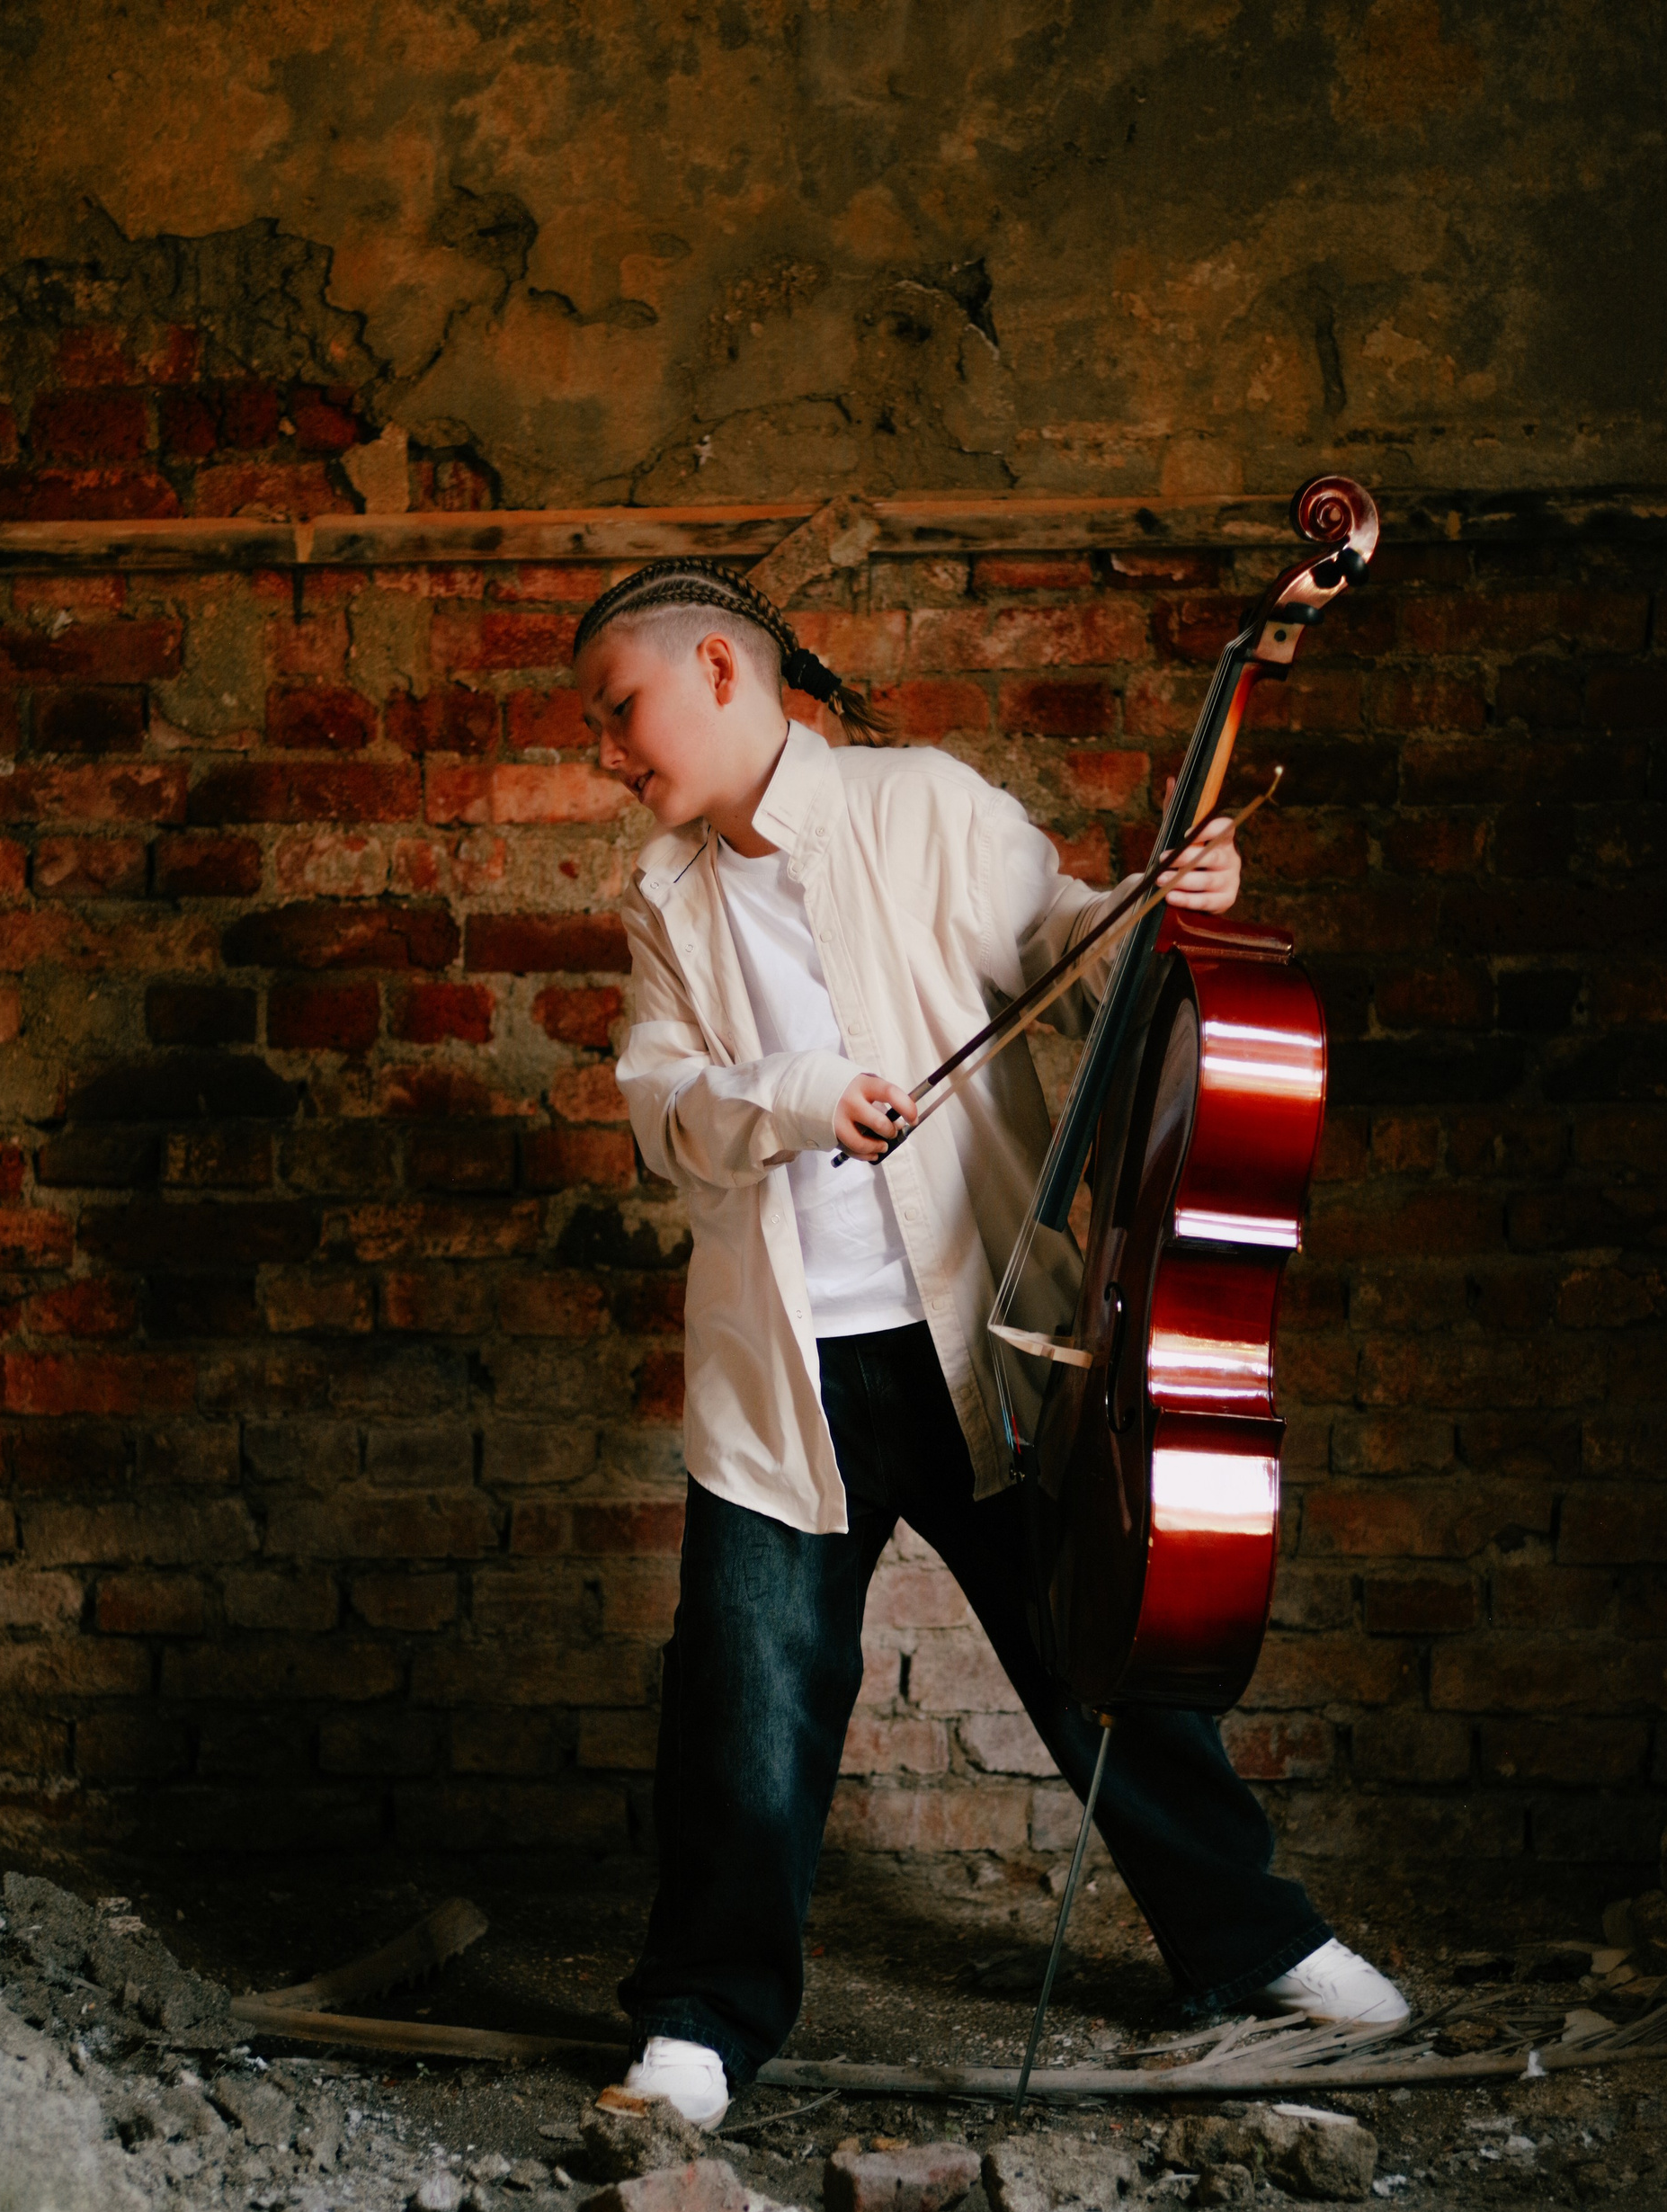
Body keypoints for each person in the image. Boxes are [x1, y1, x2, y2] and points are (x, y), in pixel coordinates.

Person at [574, 560, 1406, 2127]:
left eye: (621, 711)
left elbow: (1077, 954)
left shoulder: (925, 805)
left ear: (720, 669)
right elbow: (663, 1109)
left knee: (1101, 1652)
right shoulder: (663, 897)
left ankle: (1253, 1942)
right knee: (743, 1701)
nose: (608, 752)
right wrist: (799, 1098)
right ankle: (700, 2021)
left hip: (984, 1329)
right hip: (785, 1371)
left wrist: (1172, 904)